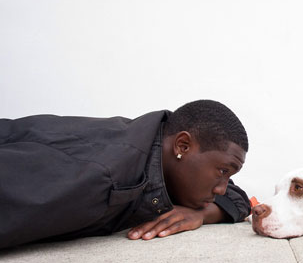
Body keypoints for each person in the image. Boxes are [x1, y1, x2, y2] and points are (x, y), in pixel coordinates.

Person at [0, 100, 250, 249]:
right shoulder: (100, 179)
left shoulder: (155, 142)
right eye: (222, 171)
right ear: (182, 146)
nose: (221, 188)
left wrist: (203, 213)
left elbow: (238, 198)